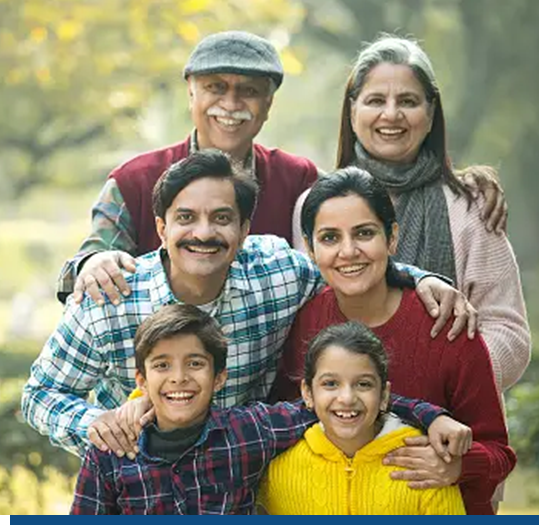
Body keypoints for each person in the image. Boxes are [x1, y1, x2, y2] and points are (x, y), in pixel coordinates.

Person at [21, 150, 471, 458]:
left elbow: (348, 267)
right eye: (185, 218)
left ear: (244, 228)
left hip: (240, 481)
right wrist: (97, 425)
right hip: (140, 479)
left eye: (221, 218)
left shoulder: (276, 272)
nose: (203, 233)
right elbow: (40, 395)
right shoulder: (112, 298)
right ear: (161, 228)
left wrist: (420, 276)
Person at [58, 31, 505, 308]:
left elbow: (351, 246)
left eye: (248, 91)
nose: (231, 105)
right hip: (158, 402)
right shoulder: (134, 180)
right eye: (215, 88)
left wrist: (461, 179)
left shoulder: (299, 182)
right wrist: (92, 262)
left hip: (267, 416)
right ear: (190, 95)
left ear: (268, 104)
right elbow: (87, 260)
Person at [273, 168, 517, 514]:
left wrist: (459, 466)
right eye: (329, 238)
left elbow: (499, 453)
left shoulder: (447, 323)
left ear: (391, 239)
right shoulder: (305, 322)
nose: (348, 251)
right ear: (310, 250)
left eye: (364, 233)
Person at [70, 304, 471, 515]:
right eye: (162, 366)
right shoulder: (110, 453)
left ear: (220, 376)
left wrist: (430, 415)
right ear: (141, 379)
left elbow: (338, 400)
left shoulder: (250, 432)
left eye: (195, 363)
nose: (179, 378)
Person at [330, 34, 530, 393]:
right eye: (376, 100)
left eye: (407, 101)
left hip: (452, 428)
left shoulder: (471, 206)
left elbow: (509, 333)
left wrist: (443, 383)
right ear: (352, 109)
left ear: (431, 111)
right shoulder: (315, 207)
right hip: (342, 421)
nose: (391, 114)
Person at [258, 322, 467, 515]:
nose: (347, 398)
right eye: (330, 383)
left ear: (384, 395)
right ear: (307, 393)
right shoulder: (278, 470)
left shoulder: (424, 465)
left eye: (363, 384)